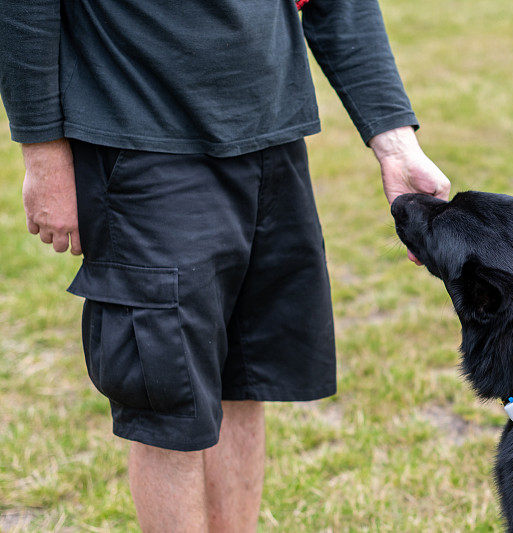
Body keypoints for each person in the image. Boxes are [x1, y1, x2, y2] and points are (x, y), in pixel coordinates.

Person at [0, 0, 450, 530]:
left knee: (245, 376)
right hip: (143, 136)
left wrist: (395, 142)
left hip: (271, 138)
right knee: (167, 398)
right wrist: (44, 152)